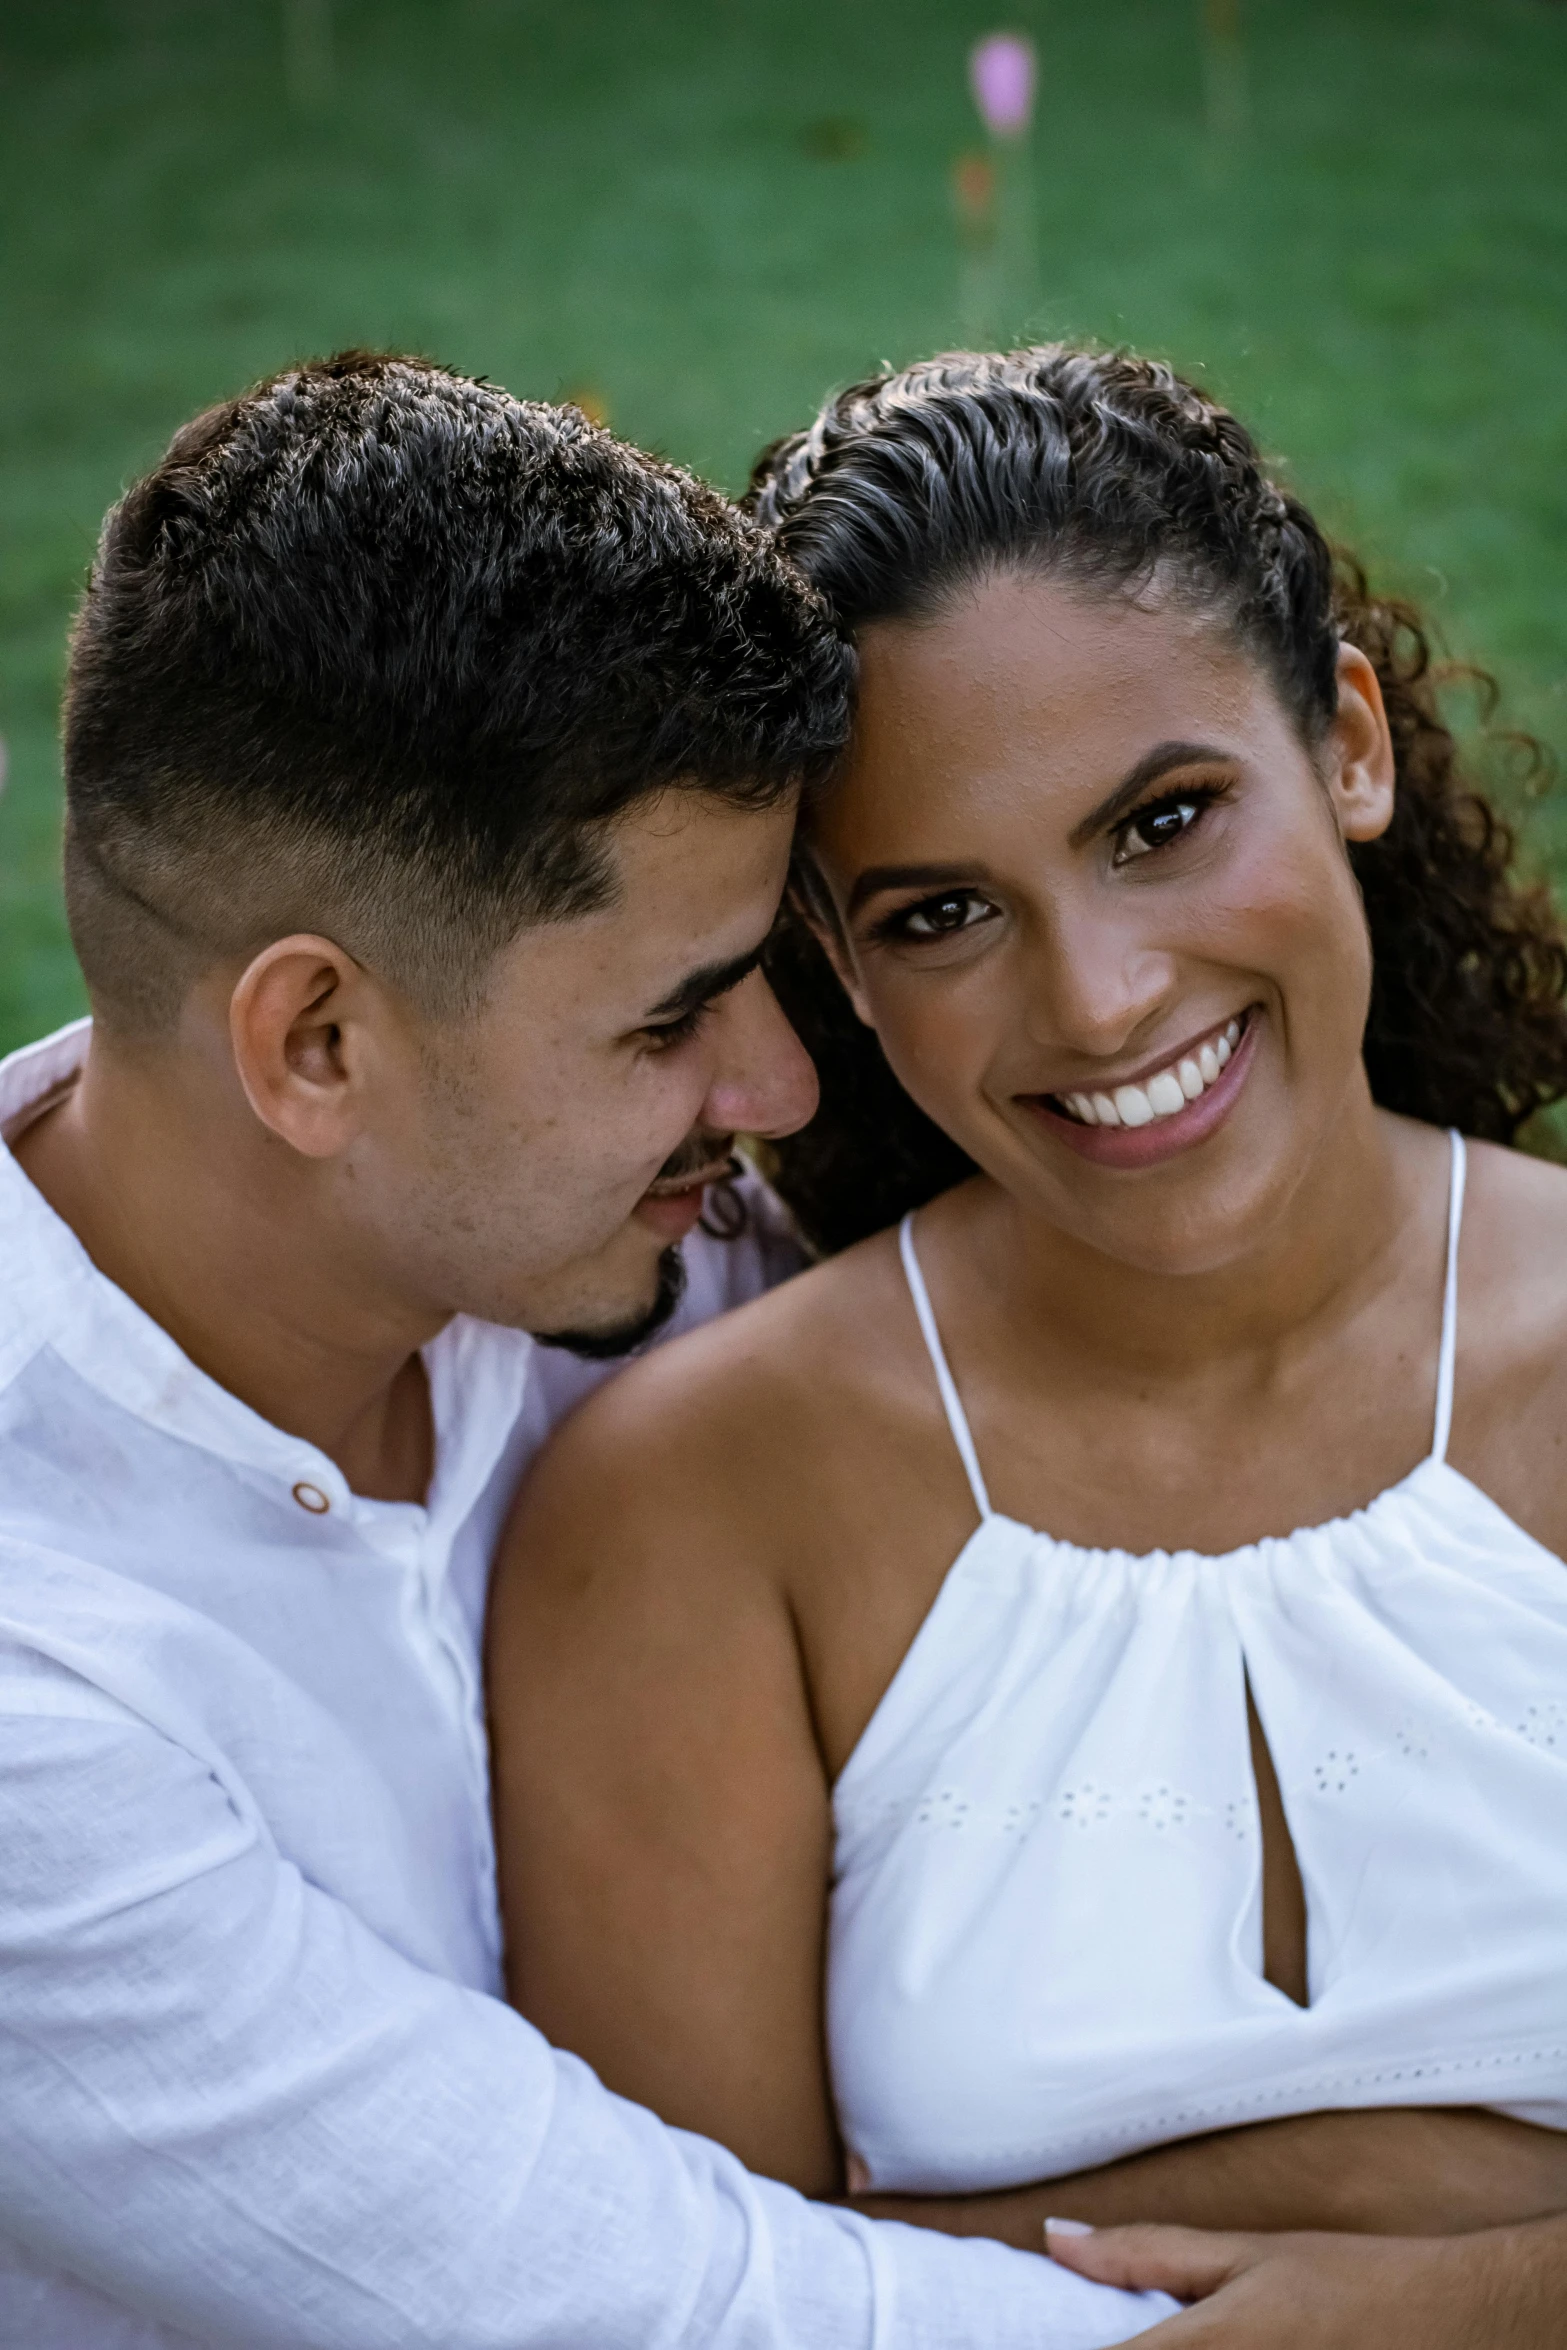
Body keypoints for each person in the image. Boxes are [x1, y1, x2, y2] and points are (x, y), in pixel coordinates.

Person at [0, 353, 1175, 2346]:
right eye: (672, 1019)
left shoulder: (606, 1257)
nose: (784, 1086)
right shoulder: (42, 1686)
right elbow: (676, 2303)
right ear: (317, 1045)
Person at [487, 348, 1567, 2345]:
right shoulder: (691, 1509)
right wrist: (1439, 2208)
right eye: (941, 912)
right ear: (831, 959)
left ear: (1345, 738)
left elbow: (833, 2266)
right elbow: (684, 2297)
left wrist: (1441, 2290)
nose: (1100, 994)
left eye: (1161, 818)